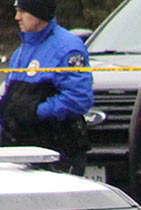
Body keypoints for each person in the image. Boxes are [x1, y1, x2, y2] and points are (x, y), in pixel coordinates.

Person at [0, 0, 93, 175]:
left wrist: (36, 111)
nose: (17, 17)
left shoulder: (67, 47)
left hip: (56, 153)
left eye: (22, 12)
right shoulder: (23, 50)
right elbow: (11, 97)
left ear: (39, 13)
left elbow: (78, 99)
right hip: (21, 149)